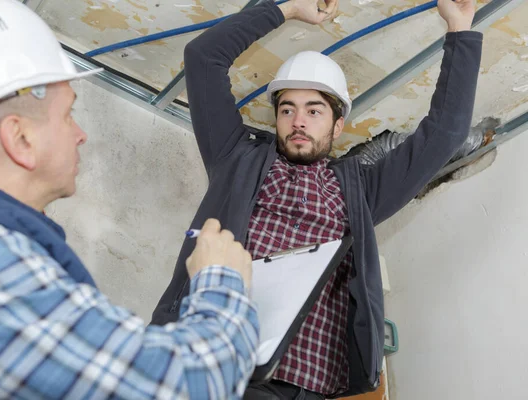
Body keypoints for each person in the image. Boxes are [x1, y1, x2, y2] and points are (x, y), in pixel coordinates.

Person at [0, 0, 259, 398]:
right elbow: (188, 387)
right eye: (68, 114)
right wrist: (220, 278)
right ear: (20, 139)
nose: (80, 133)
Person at [152, 0, 482, 397]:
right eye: (287, 109)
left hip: (310, 388)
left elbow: (443, 135)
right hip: (218, 368)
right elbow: (203, 57)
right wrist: (286, 8)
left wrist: (460, 30)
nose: (299, 121)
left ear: (338, 124)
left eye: (314, 110)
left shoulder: (362, 190)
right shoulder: (234, 157)